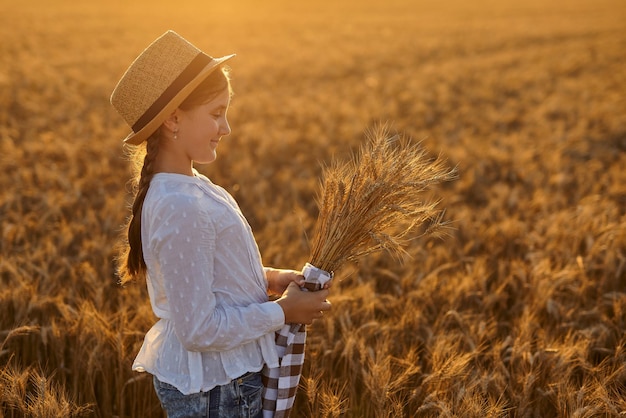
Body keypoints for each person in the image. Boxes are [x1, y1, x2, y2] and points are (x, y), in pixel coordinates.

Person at [110, 30, 332, 418]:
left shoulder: (190, 187)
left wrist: (270, 278)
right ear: (173, 120)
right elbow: (199, 330)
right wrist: (282, 312)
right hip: (218, 391)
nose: (226, 127)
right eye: (216, 113)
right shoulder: (181, 206)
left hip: (221, 384)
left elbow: (208, 275)